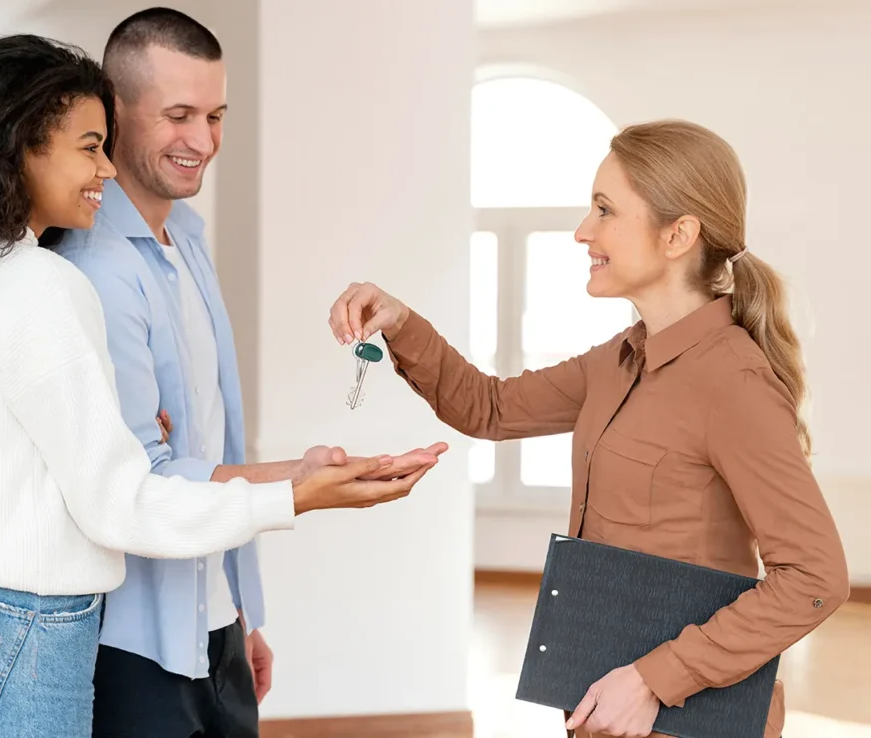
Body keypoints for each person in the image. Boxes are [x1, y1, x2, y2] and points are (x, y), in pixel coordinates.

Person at [0, 34, 435, 738]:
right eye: (89, 147)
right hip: (23, 647)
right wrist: (295, 494)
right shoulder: (46, 286)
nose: (105, 167)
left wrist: (45, 472)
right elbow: (119, 507)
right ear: (19, 149)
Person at [329, 119, 850, 738]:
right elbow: (489, 407)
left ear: (678, 235)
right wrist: (399, 321)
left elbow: (815, 578)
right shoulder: (620, 359)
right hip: (601, 705)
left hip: (686, 719)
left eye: (605, 210)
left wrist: (655, 679)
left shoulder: (734, 383)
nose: (583, 231)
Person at [50, 9, 447, 736]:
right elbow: (145, 482)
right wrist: (301, 483)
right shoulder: (95, 269)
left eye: (215, 116)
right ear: (114, 112)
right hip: (134, 644)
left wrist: (238, 609)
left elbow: (209, 442)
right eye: (178, 115)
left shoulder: (186, 238)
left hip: (213, 624)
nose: (203, 141)